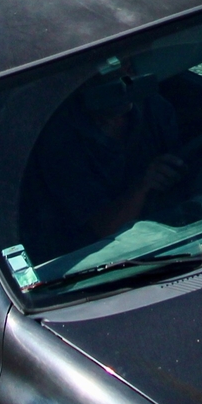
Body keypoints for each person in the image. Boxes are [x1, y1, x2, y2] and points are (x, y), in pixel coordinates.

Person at [20, 68, 186, 262]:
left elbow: (185, 174)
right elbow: (103, 227)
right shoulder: (60, 140)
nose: (124, 79)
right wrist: (144, 185)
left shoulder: (155, 108)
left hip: (176, 237)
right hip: (100, 259)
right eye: (109, 71)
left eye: (128, 65)